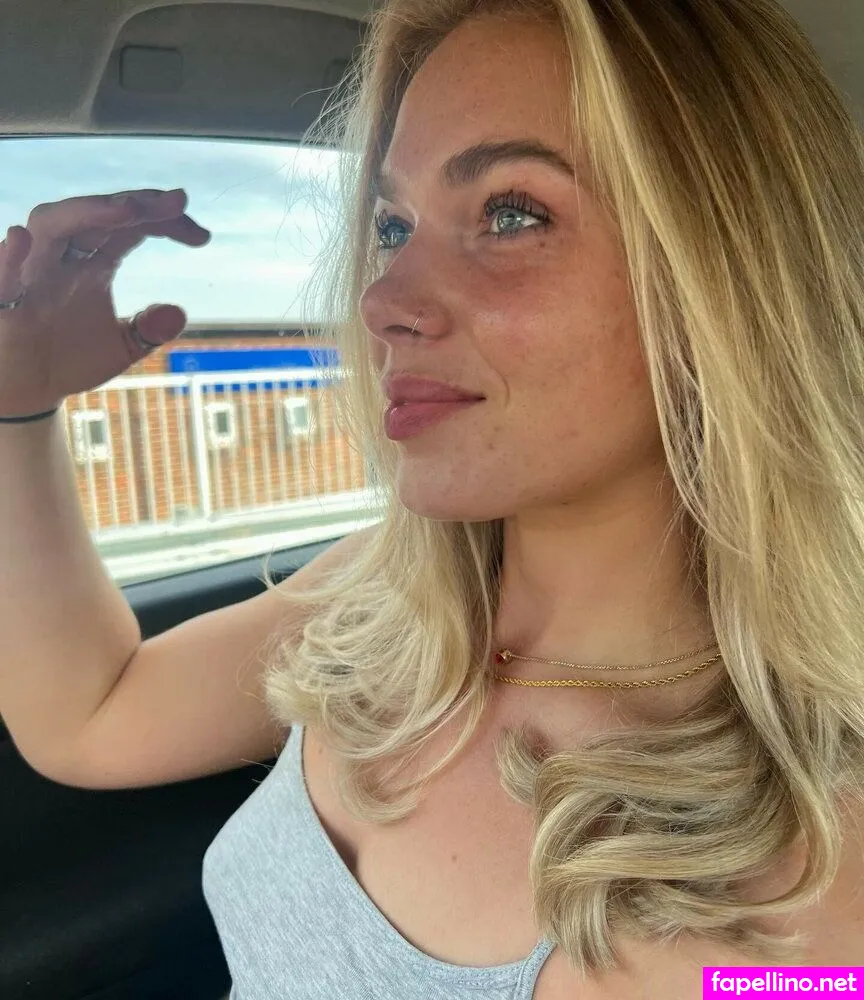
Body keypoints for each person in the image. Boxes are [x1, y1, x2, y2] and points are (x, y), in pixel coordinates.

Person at [2, 0, 864, 995]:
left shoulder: (805, 895)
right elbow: (92, 715)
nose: (381, 302)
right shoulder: (389, 594)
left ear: (730, 269)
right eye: (393, 226)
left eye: (511, 214)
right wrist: (20, 406)